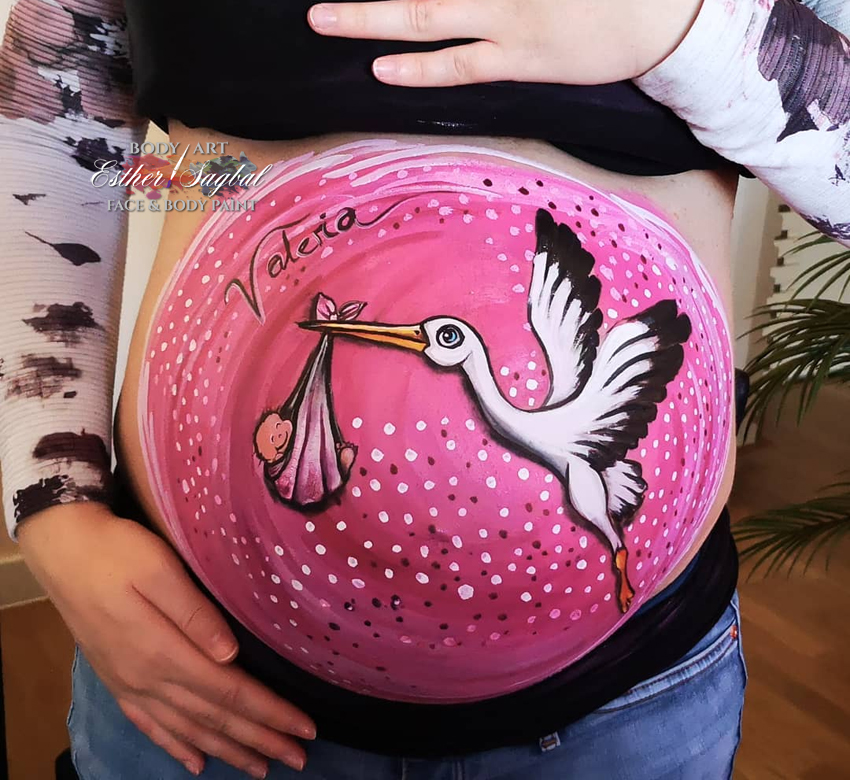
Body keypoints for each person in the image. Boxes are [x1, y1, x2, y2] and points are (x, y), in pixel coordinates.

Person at [0, 1, 847, 779]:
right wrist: (52, 508)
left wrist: (683, 34)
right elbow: (58, 135)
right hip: (203, 683)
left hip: (622, 702)